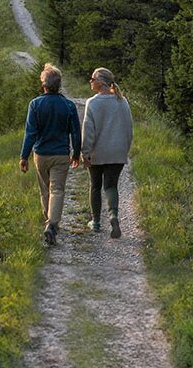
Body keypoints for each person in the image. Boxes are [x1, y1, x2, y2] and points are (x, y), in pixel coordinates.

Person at [19, 63, 81, 245]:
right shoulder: (69, 106)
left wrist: (24, 156)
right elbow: (76, 133)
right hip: (61, 155)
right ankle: (52, 225)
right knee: (57, 190)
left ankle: (49, 223)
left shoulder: (35, 104)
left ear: (43, 85)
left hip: (41, 155)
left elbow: (30, 133)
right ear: (59, 85)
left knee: (45, 190)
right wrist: (76, 154)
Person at [81, 67, 133, 239]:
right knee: (111, 186)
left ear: (101, 82)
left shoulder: (93, 103)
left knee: (95, 186)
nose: (90, 81)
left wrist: (85, 152)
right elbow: (129, 129)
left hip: (98, 151)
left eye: (93, 78)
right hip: (117, 151)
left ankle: (95, 222)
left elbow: (88, 131)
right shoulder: (122, 101)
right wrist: (125, 148)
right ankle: (114, 217)